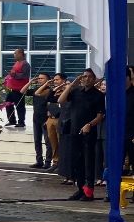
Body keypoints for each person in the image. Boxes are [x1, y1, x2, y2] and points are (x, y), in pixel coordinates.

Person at [59, 69, 105, 201]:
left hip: (88, 133)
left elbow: (100, 115)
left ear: (94, 79)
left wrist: (90, 124)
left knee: (88, 162)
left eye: (90, 77)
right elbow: (61, 100)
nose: (86, 79)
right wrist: (73, 83)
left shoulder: (98, 95)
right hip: (74, 131)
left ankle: (89, 191)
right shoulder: (76, 91)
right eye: (84, 77)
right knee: (77, 162)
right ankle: (80, 189)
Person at [24, 73, 53, 169]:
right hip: (36, 118)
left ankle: (48, 161)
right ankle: (39, 160)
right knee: (37, 141)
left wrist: (47, 84)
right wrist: (31, 82)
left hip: (45, 118)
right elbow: (22, 91)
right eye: (39, 78)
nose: (39, 80)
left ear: (48, 80)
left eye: (42, 78)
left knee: (48, 141)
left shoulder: (50, 90)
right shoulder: (36, 89)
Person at [43, 73, 67, 174]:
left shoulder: (66, 91)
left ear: (63, 80)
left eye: (57, 80)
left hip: (60, 119)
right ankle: (55, 162)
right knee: (52, 142)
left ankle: (62, 163)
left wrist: (63, 87)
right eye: (54, 80)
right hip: (50, 118)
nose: (55, 82)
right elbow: (47, 99)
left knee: (60, 141)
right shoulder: (53, 91)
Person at [3, 49, 31, 128]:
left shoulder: (25, 64)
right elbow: (12, 74)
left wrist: (14, 75)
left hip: (19, 89)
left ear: (21, 54)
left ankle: (21, 122)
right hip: (12, 89)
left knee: (19, 106)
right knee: (8, 104)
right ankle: (12, 120)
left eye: (15, 53)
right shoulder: (16, 63)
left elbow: (24, 76)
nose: (14, 55)